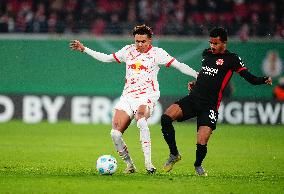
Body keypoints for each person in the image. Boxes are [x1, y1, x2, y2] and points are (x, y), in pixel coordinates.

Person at [69, 24, 198, 174]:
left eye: (143, 41)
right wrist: (84, 49)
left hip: (147, 96)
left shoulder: (158, 53)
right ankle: (130, 166)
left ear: (150, 40)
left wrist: (197, 75)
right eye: (137, 41)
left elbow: (179, 65)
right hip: (127, 97)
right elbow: (106, 58)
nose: (139, 44)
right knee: (115, 134)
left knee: (141, 120)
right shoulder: (128, 50)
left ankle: (149, 164)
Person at [160, 27, 273, 176]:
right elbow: (207, 75)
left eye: (215, 43)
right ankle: (174, 154)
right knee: (166, 118)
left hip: (209, 106)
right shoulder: (206, 54)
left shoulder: (232, 59)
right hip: (194, 98)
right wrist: (196, 82)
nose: (212, 46)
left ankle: (198, 165)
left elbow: (249, 78)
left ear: (224, 42)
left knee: (202, 141)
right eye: (210, 42)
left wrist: (263, 79)